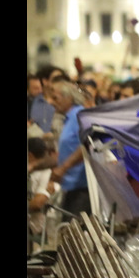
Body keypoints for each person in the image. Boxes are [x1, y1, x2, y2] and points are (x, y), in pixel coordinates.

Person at [50, 80, 93, 217]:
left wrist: (63, 168)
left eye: (55, 98)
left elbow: (87, 145)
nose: (51, 102)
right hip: (70, 186)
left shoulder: (79, 115)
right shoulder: (68, 119)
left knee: (73, 231)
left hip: (81, 187)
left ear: (68, 98)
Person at [28, 136, 60, 255]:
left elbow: (38, 203)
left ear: (30, 155)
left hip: (38, 229)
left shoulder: (48, 173)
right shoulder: (33, 170)